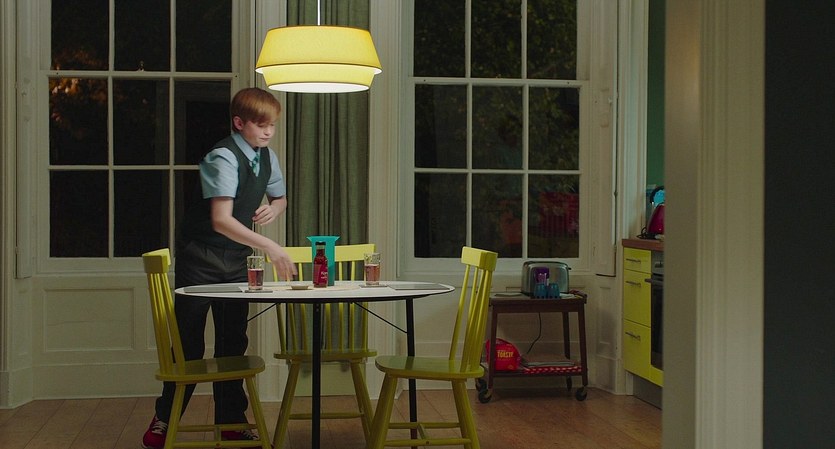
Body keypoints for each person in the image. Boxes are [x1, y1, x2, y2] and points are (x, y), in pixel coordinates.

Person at [142, 87, 297, 449]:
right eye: (261, 124)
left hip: (236, 260)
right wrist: (271, 246)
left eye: (272, 125)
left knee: (232, 343)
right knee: (189, 346)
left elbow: (280, 197)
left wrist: (275, 208)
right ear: (239, 123)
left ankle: (231, 422)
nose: (268, 131)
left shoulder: (267, 157)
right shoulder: (222, 157)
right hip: (201, 258)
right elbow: (221, 220)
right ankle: (165, 418)